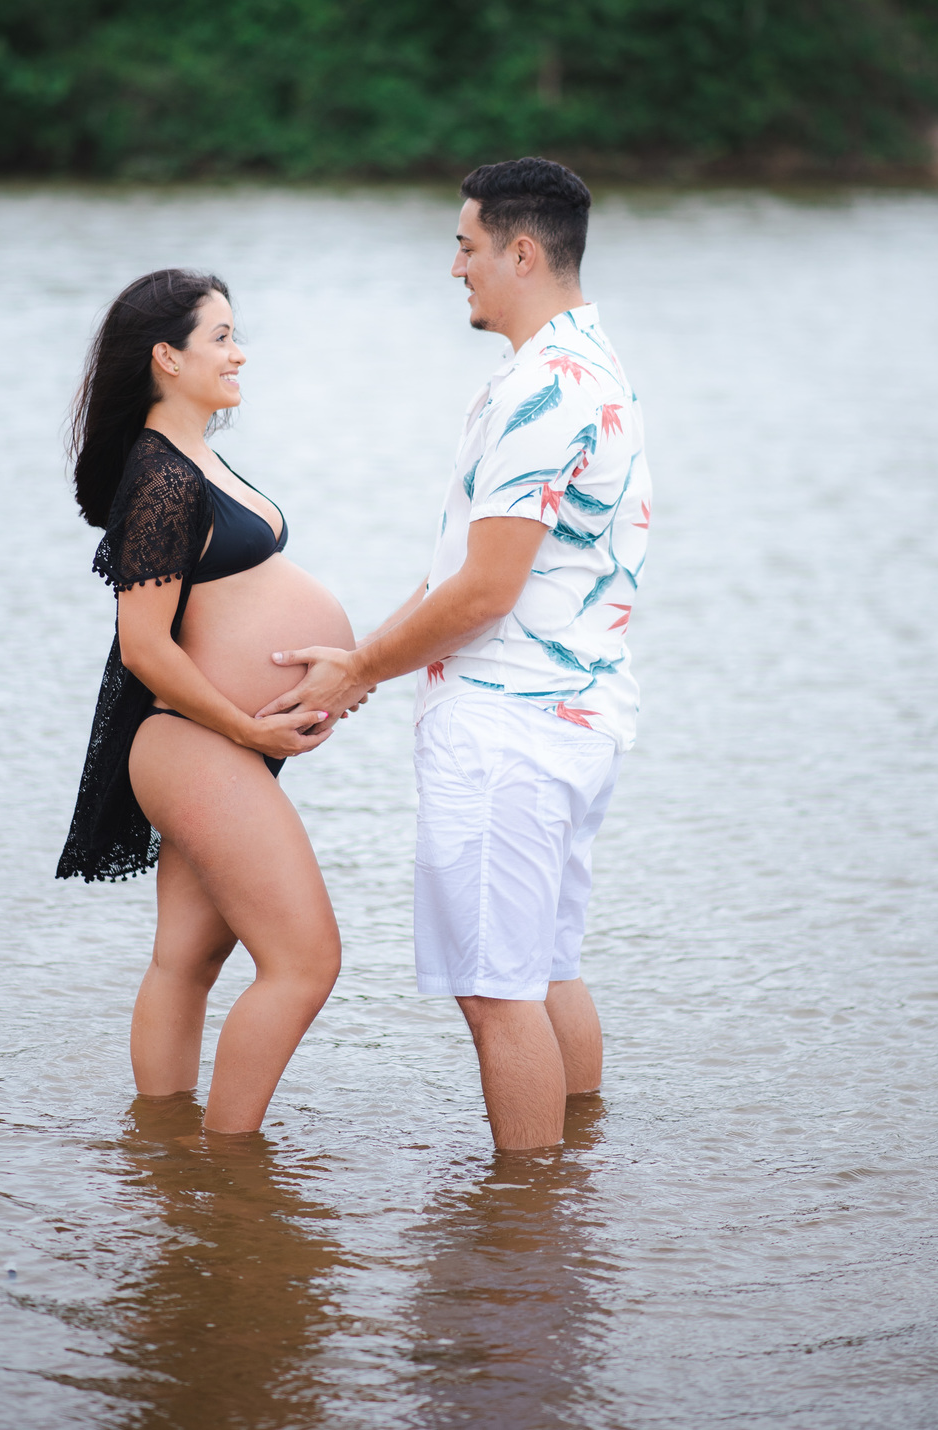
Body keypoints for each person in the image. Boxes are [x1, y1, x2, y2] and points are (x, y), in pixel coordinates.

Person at [259, 158, 651, 1151]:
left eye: (467, 246)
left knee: (495, 990)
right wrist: (357, 669)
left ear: (522, 252)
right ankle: (574, 1196)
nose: (455, 268)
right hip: (572, 717)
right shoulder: (584, 368)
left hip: (511, 728)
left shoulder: (540, 391)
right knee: (546, 966)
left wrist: (360, 671)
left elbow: (486, 590)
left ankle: (525, 1251)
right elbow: (459, 574)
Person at [57, 268, 355, 1135]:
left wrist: (329, 680)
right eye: (220, 336)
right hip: (197, 741)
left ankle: (165, 1160)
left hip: (222, 744)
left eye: (235, 333)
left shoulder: (196, 456)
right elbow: (146, 646)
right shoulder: (159, 477)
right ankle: (230, 1172)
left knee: (186, 961)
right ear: (167, 357)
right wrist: (247, 721)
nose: (239, 352)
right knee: (305, 961)